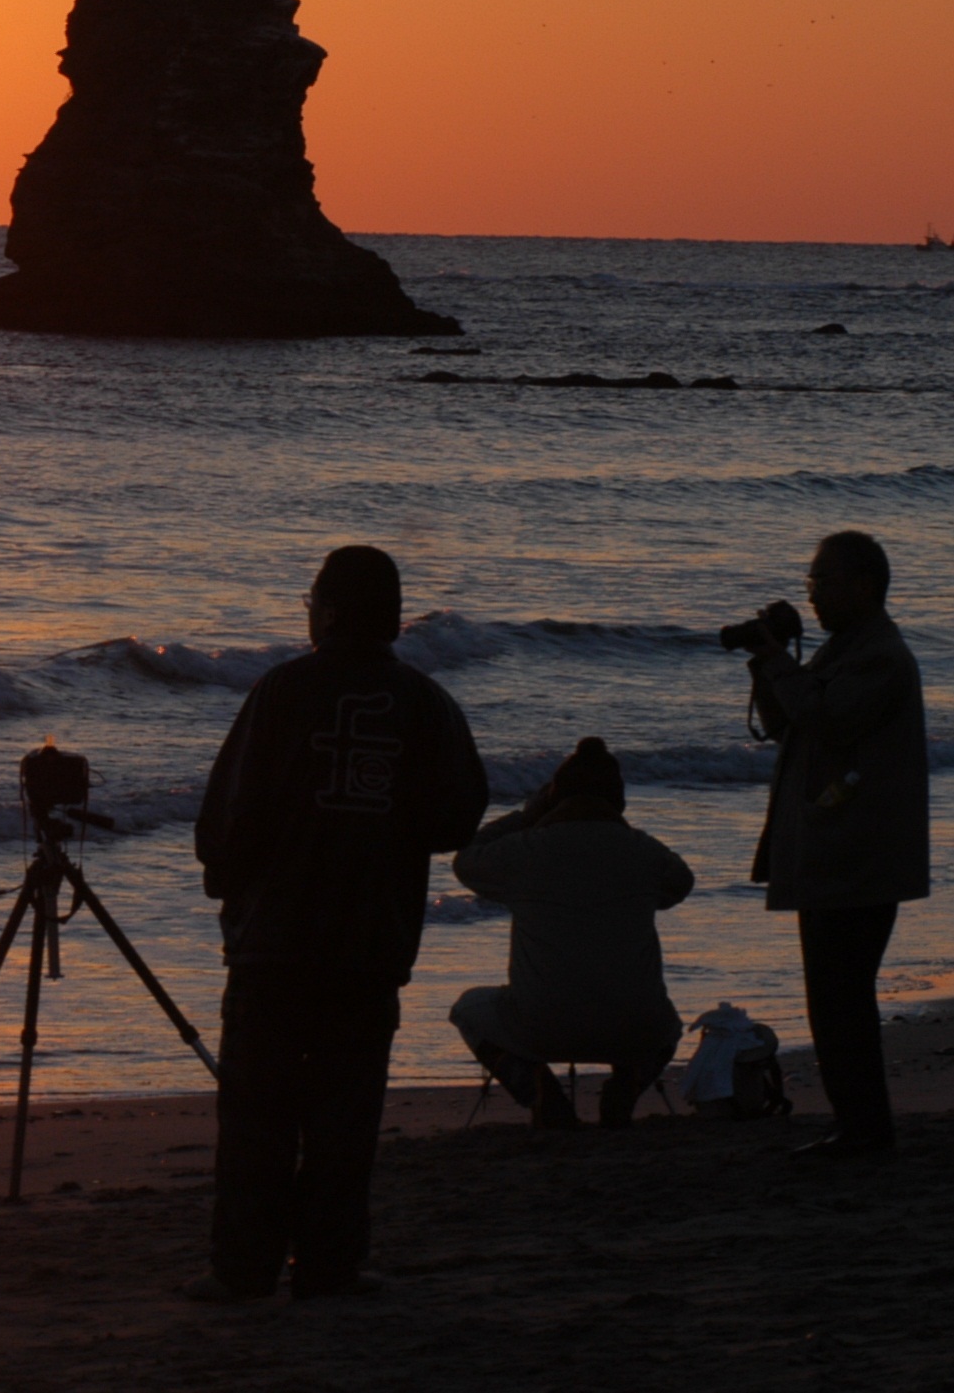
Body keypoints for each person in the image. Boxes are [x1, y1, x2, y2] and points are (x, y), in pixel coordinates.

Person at [190, 546, 490, 1302]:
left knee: (257, 1113)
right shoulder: (424, 702)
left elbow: (231, 812)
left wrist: (225, 877)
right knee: (343, 1114)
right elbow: (457, 814)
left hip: (275, 941)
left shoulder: (282, 690)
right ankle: (327, 1266)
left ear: (324, 610)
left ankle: (243, 1269)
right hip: (367, 940)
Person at [745, 529, 930, 1158]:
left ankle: (864, 1130)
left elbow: (829, 720)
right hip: (838, 855)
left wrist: (778, 663)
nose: (813, 594)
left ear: (864, 585)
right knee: (834, 999)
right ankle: (858, 1126)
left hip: (857, 860)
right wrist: (769, 663)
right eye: (811, 582)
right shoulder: (846, 651)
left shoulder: (879, 656)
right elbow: (786, 724)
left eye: (823, 581)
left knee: (841, 999)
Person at [448, 737, 695, 1129]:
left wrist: (526, 816)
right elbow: (680, 883)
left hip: (541, 1025)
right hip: (633, 1027)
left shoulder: (524, 851)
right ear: (618, 800)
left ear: (554, 796)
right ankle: (626, 1086)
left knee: (468, 1009)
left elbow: (466, 860)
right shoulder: (644, 853)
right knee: (665, 1024)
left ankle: (539, 1093)